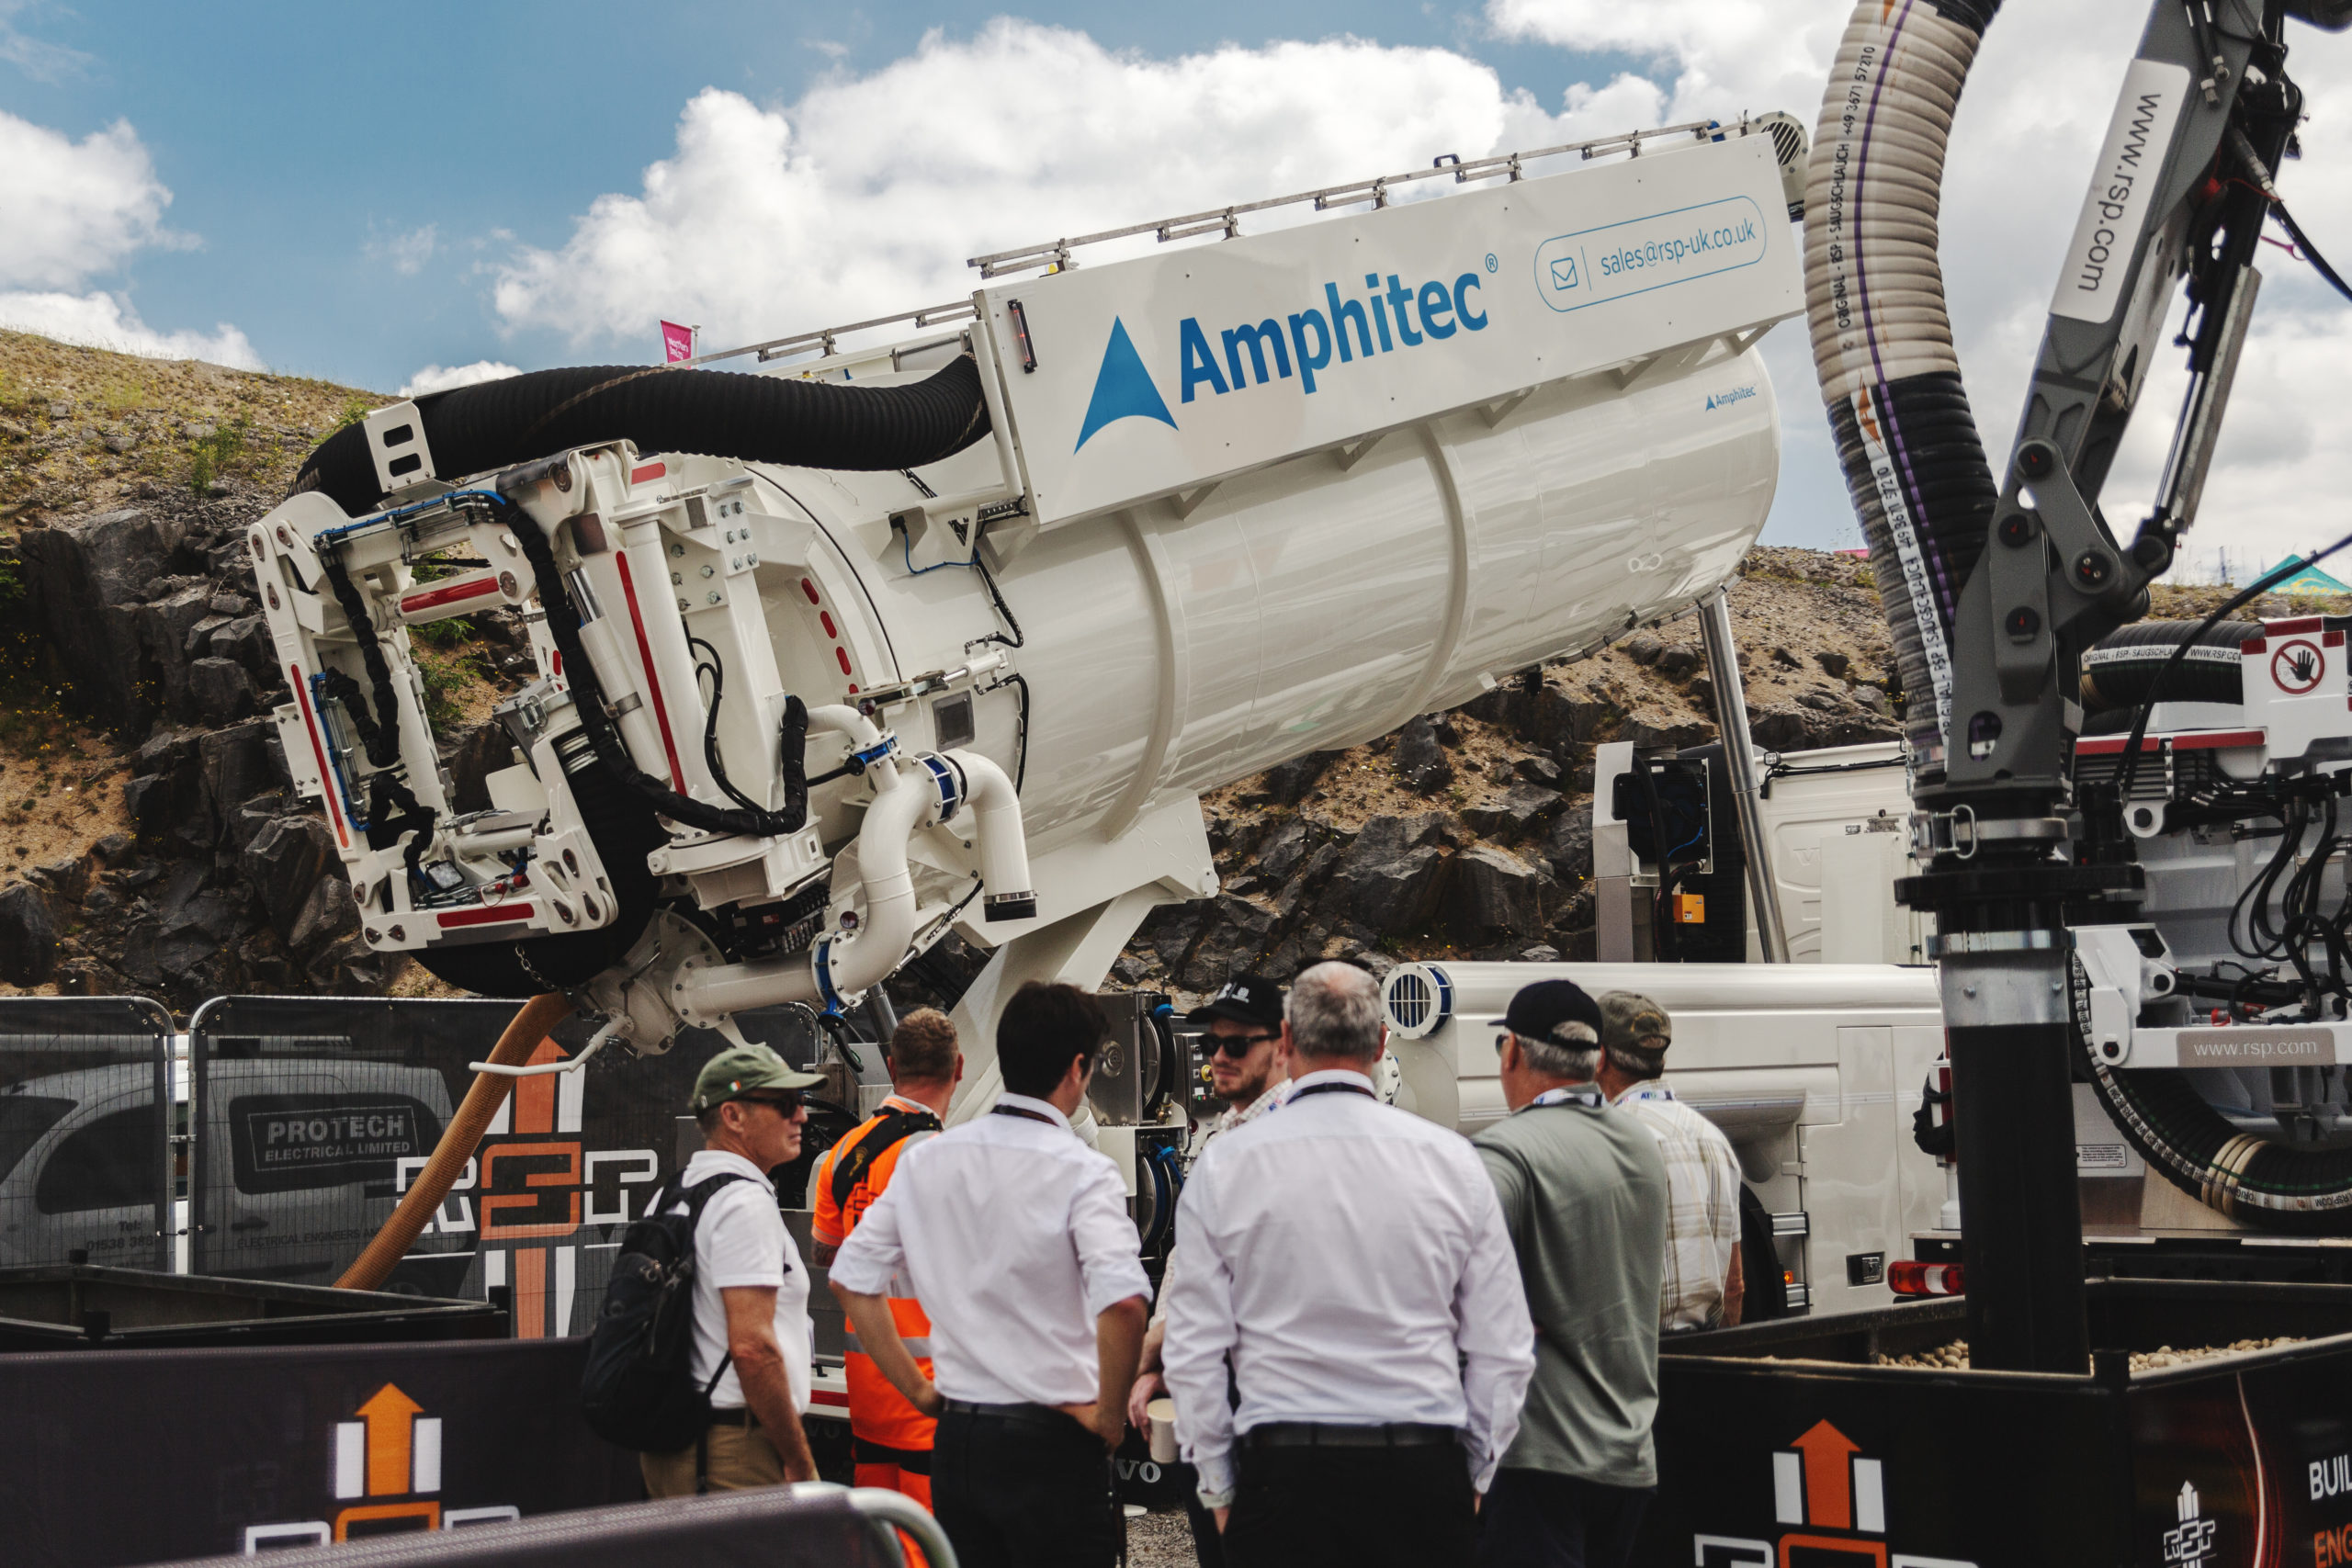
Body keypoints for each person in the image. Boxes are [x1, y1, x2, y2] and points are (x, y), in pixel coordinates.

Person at [1162, 962, 1534, 1568]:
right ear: (1383, 1042)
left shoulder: (1225, 1166)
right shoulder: (1452, 1161)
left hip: (1283, 1472)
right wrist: (1472, 1476)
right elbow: (1505, 1347)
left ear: (1285, 1041)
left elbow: (1194, 1349)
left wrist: (1220, 1489)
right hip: (1420, 1465)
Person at [830, 982, 1150, 1568]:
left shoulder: (929, 1159)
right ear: (1078, 1069)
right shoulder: (1085, 1173)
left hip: (959, 1435)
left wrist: (921, 1390)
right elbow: (1125, 1305)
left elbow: (849, 1278)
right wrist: (1107, 1417)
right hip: (1054, 1437)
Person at [1471, 979, 1669, 1568]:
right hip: (1628, 1451)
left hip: (1535, 1458)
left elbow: (1464, 1302)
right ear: (1597, 1059)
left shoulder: (1504, 1155)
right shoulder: (1641, 1147)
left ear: (1511, 1052)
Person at [1126, 973, 1290, 1568]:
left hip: (1259, 1401)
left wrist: (1150, 1356)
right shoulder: (1225, 1135)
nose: (1218, 1056)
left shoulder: (1278, 1138)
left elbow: (1227, 1276)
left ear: (1282, 1044)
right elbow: (1186, 1263)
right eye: (1212, 1042)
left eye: (1237, 1043)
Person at [639, 1043, 825, 1498]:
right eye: (785, 1104)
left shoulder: (675, 1192)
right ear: (733, 1117)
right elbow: (752, 1350)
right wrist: (801, 1462)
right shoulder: (744, 1203)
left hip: (675, 1442)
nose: (801, 1116)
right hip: (731, 1451)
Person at [810, 1007, 962, 1509]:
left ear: (892, 1067)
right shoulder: (946, 1158)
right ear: (958, 1068)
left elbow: (826, 1255)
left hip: (869, 1392)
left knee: (882, 1546)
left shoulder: (842, 1154)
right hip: (934, 1395)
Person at [1596, 990, 1745, 1332]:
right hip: (1705, 1358)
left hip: (1635, 1360)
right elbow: (1734, 1286)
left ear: (1600, 1058)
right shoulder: (1713, 1139)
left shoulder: (1603, 1141)